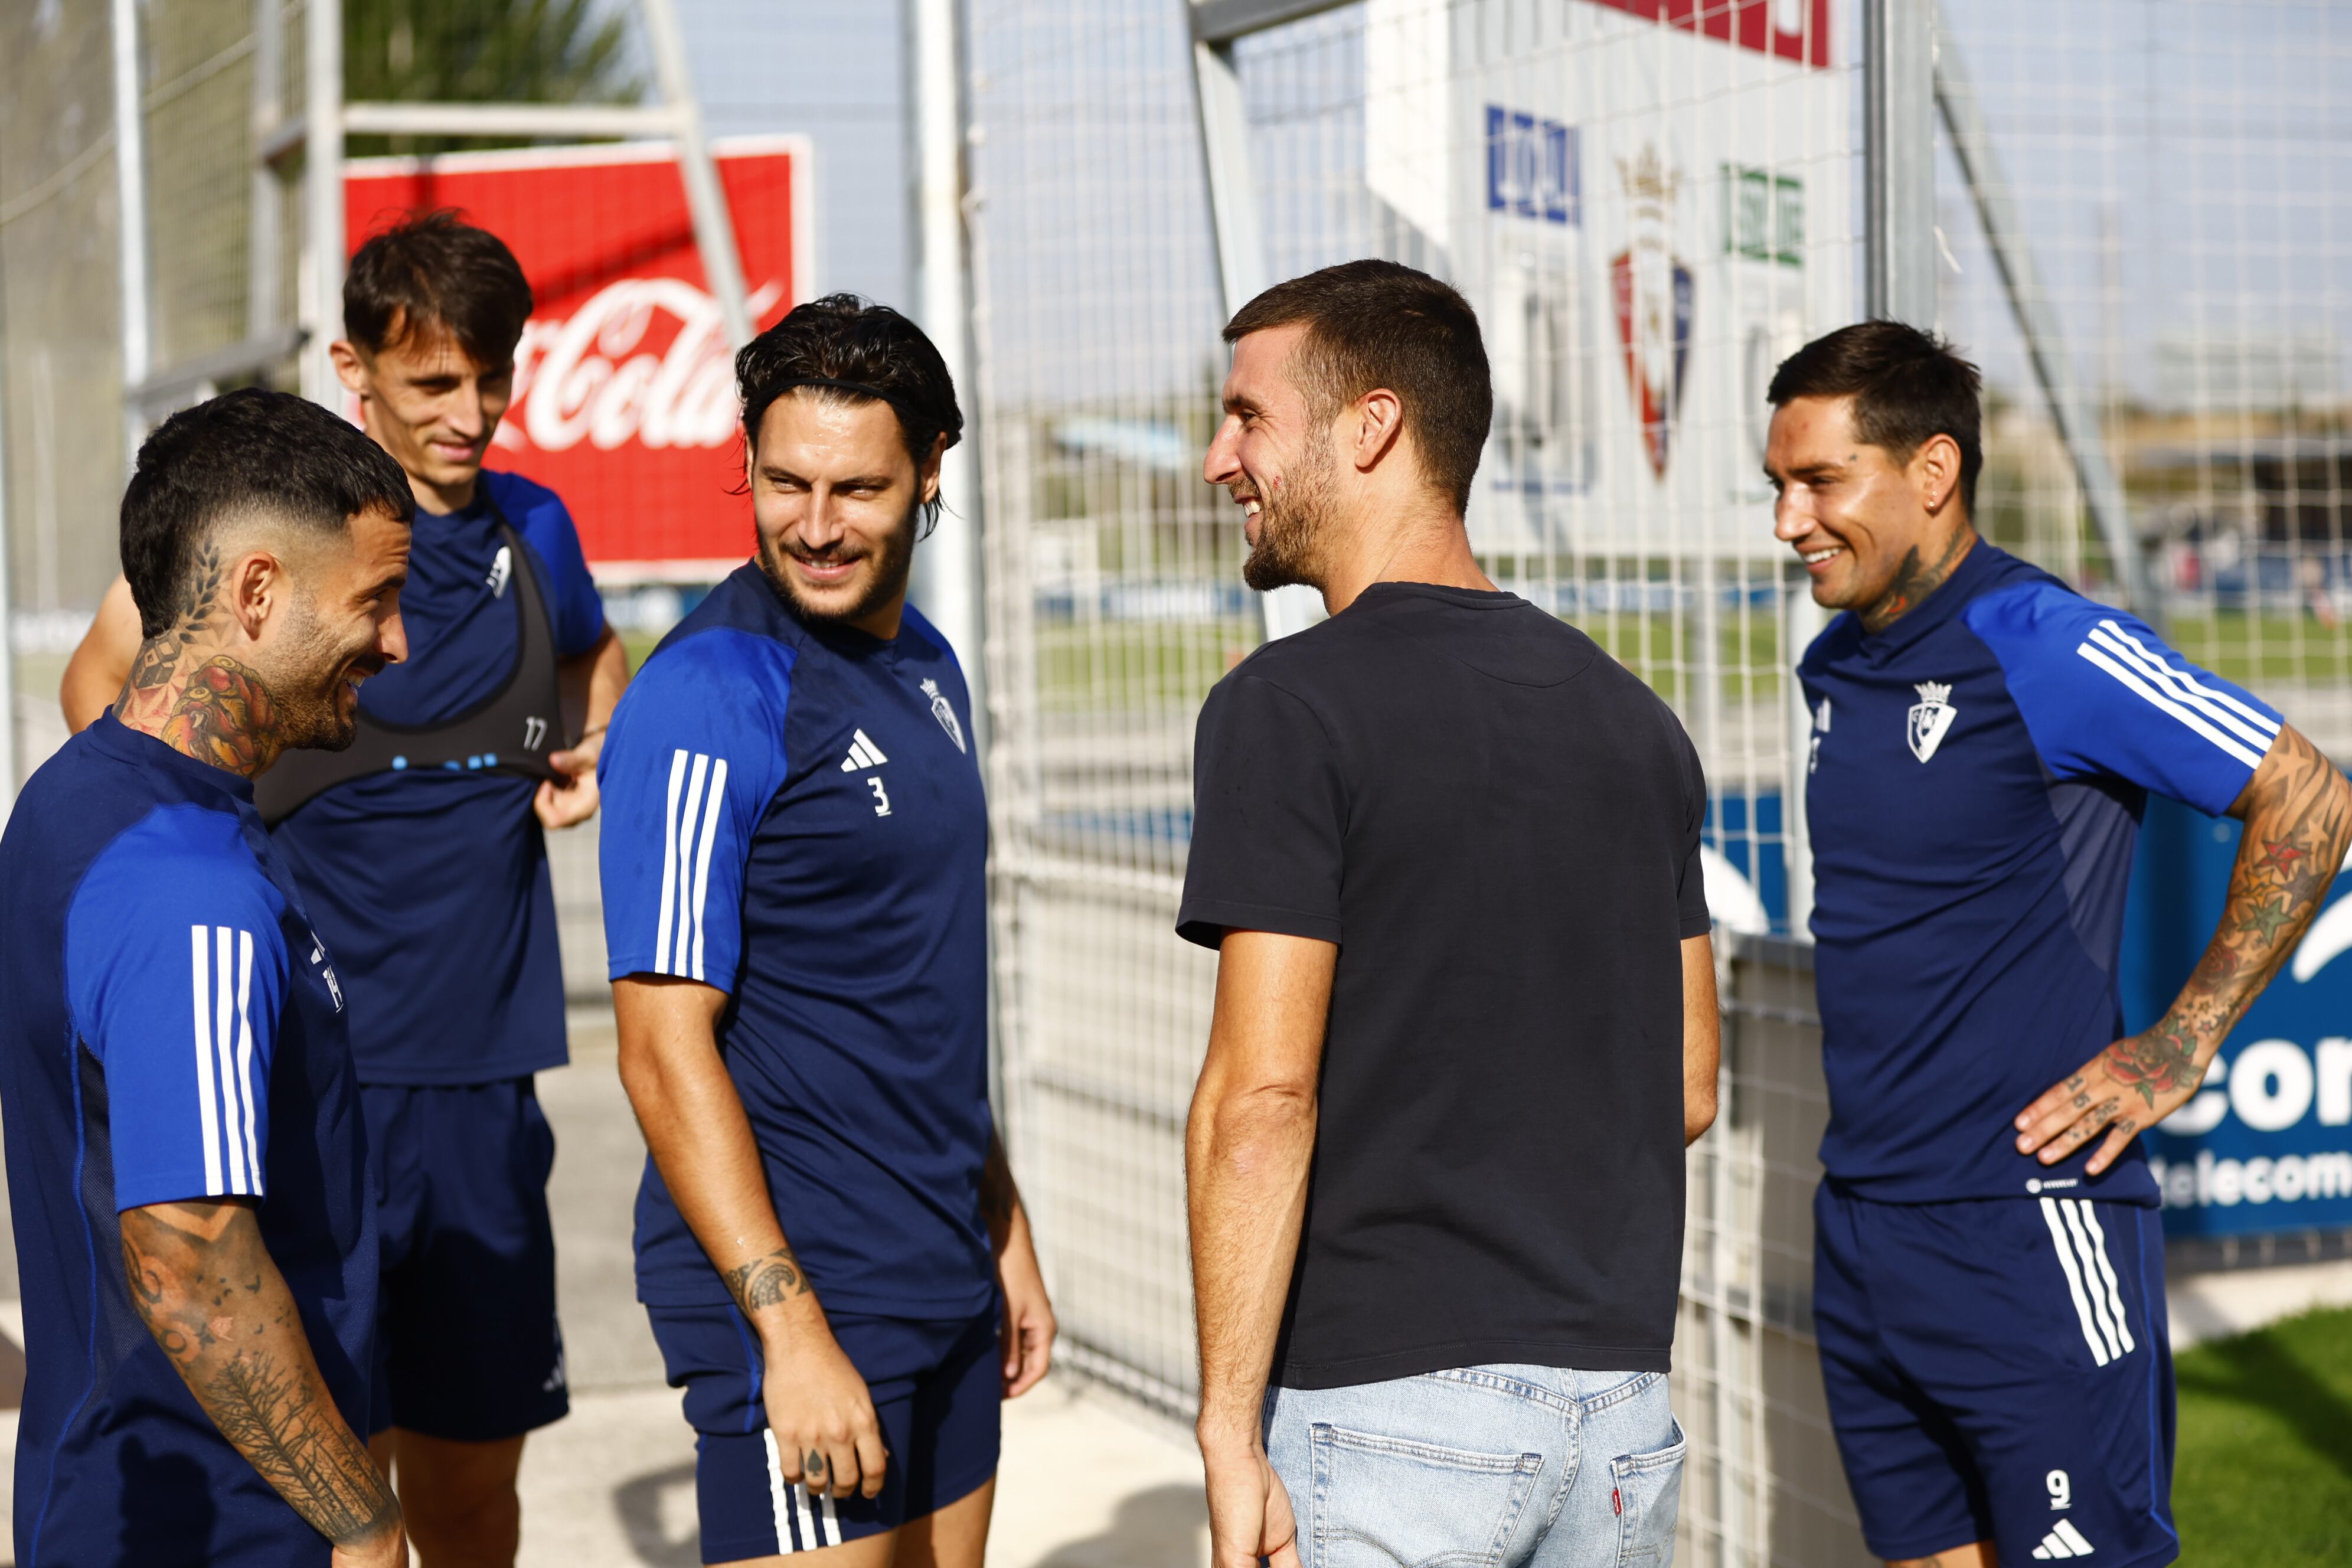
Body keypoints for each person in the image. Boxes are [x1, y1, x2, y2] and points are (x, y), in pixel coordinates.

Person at [58, 212, 629, 1567]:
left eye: (496, 377)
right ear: (352, 367)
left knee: (475, 1494)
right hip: (312, 1090)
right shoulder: (282, 532)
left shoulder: (537, 527)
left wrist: (577, 755)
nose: (473, 412)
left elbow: (593, 671)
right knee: (325, 1487)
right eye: (436, 382)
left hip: (484, 1086)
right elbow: (102, 689)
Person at [1769, 321, 2352, 1568]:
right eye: (1777, 485)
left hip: (2032, 1222)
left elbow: (2308, 795)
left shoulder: (2046, 640)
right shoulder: (1833, 664)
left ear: (1932, 471)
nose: (1787, 520)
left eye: (1819, 481)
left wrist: (2182, 1040)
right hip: (1867, 1225)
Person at [1178, 259, 1719, 1568]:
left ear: (1371, 426)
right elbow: (1690, 1082)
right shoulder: (1634, 719)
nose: (1216, 458)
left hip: (1390, 1418)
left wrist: (1226, 1428)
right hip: (1618, 1416)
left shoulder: (1285, 705)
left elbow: (1263, 1097)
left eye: (1249, 415)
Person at [596, 295, 1055, 1567]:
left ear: (928, 476)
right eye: (785, 481)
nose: (814, 523)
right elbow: (659, 1046)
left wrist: (1001, 1218)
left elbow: (919, 981)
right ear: (744, 465)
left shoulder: (930, 667)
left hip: (943, 1260)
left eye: (857, 488)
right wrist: (788, 1329)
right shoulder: (708, 692)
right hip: (801, 1281)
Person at [0, 388, 413, 1565]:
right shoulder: (190, 890)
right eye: (375, 601)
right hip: (219, 1525)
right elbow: (189, 1263)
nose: (395, 644)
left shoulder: (75, 794)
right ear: (258, 592)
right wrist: (365, 1519)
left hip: (122, 1491)